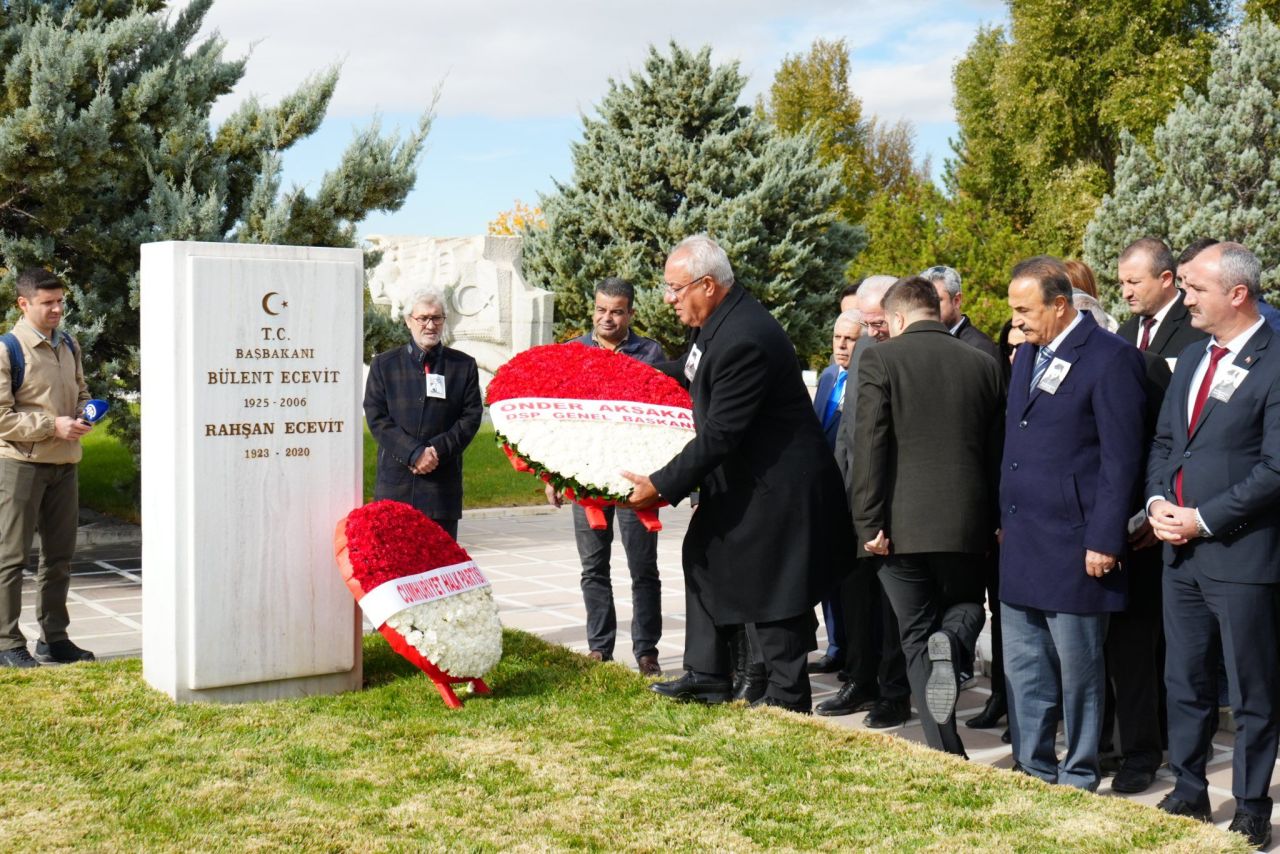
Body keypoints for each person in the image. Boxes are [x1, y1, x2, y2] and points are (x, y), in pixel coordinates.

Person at [624, 234, 850, 714]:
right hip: (749, 482)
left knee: (777, 597)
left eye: (675, 288)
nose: (668, 299)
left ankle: (790, 705)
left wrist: (659, 486)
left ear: (707, 285)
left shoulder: (744, 337)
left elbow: (721, 433)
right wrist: (626, 377)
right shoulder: (715, 325)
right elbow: (687, 372)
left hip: (780, 492)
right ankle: (707, 676)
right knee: (702, 555)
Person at [1147, 242, 1280, 850]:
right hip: (1180, 553)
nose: (1185, 298)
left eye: (1196, 289)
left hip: (1243, 555)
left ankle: (1251, 804)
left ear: (1237, 293)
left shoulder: (1276, 360)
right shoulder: (1195, 354)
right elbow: (1168, 442)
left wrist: (1202, 518)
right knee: (1185, 677)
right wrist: (1157, 505)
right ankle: (1189, 788)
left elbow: (1275, 470)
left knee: (1252, 687)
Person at [1000, 255, 1147, 791]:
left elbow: (1121, 459)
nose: (1016, 322)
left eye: (1025, 310)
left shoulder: (1111, 360)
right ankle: (1033, 766)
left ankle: (1080, 771)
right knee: (1025, 667)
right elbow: (1016, 444)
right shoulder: (1026, 356)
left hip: (1077, 545)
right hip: (1023, 540)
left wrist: (1106, 537)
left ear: (1059, 306)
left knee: (1080, 672)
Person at [852, 277, 1004, 756]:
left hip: (899, 527)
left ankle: (947, 749)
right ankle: (952, 641)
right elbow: (998, 451)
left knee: (915, 637)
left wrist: (867, 523)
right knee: (967, 608)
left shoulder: (880, 358)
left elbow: (869, 445)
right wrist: (996, 516)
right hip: (968, 523)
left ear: (896, 318)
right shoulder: (983, 362)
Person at [545, 277, 666, 676]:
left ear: (631, 312)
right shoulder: (573, 353)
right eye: (601, 309)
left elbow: (665, 416)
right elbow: (559, 420)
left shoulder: (651, 353)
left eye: (616, 311)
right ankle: (600, 648)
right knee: (593, 568)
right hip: (586, 479)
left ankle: (646, 651)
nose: (607, 318)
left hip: (635, 480)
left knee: (642, 569)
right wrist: (554, 474)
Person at [822, 275, 913, 725]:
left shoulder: (908, 356)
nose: (869, 330)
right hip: (857, 500)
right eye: (864, 322)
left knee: (893, 609)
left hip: (897, 504)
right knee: (856, 597)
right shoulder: (864, 351)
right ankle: (859, 679)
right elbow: (850, 430)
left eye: (876, 322)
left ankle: (893, 693)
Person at [0, 268, 96, 668]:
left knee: (59, 557)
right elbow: (2, 417)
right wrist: (51, 425)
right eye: (48, 303)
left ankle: (53, 639)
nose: (58, 309)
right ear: (24, 304)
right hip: (20, 465)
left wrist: (84, 413)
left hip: (64, 464)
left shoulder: (69, 343)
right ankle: (6, 644)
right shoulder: (8, 349)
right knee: (10, 557)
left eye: (60, 301)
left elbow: (81, 389)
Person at [364, 288, 482, 540]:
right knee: (396, 570)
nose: (431, 325)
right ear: (409, 321)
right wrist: (414, 453)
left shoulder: (463, 366)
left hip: (441, 490)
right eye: (423, 318)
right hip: (396, 486)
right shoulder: (384, 365)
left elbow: (471, 417)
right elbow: (376, 417)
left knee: (438, 571)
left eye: (437, 318)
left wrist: (435, 451)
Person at [808, 310, 862, 675]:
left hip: (852, 495)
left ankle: (855, 651)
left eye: (850, 339)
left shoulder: (865, 380)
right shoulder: (829, 377)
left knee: (852, 582)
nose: (841, 345)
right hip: (825, 493)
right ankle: (836, 644)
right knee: (828, 577)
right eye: (837, 338)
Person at [1116, 237, 1206, 364]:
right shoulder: (1123, 334)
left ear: (1166, 279)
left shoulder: (1200, 324)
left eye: (1134, 282)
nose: (1126, 294)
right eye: (1121, 283)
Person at [919, 265, 1001, 363]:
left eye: (937, 300)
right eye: (925, 301)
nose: (930, 307)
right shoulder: (920, 343)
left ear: (957, 301)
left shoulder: (980, 348)